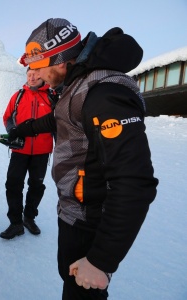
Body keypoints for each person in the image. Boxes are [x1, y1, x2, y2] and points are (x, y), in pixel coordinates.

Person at [10, 18, 158, 299]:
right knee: (70, 285)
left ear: (61, 59)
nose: (35, 73)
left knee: (81, 292)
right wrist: (21, 129)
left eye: (39, 66)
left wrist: (101, 260)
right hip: (73, 212)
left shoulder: (103, 94)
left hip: (89, 221)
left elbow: (134, 182)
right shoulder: (77, 85)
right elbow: (60, 120)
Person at [0, 68, 54, 239]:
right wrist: (12, 130)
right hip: (20, 149)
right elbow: (7, 117)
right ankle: (15, 223)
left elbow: (59, 121)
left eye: (36, 74)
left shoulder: (52, 97)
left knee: (36, 186)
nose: (32, 77)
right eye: (29, 74)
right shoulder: (18, 96)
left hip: (42, 151)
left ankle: (29, 218)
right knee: (13, 184)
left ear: (43, 75)